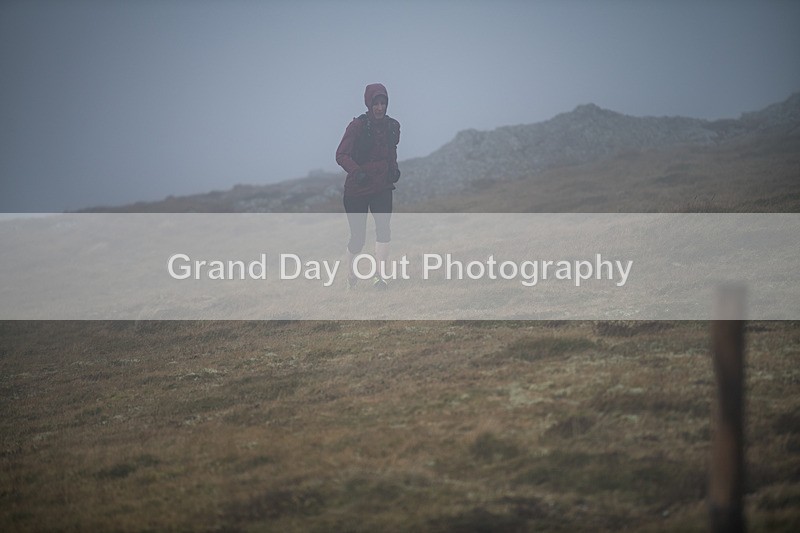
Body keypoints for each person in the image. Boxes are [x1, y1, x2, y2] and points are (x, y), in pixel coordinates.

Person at [336, 83, 401, 290]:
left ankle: (380, 278)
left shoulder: (393, 126)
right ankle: (351, 277)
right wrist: (357, 173)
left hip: (382, 186)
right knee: (358, 238)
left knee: (384, 230)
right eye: (376, 104)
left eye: (383, 103)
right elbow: (341, 155)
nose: (380, 108)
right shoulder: (357, 126)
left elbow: (391, 150)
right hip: (357, 190)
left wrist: (393, 169)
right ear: (368, 104)